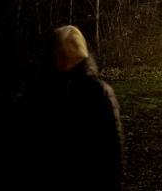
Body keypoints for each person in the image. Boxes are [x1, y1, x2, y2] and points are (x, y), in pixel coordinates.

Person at [18, 25, 124, 189]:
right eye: (59, 53)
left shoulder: (97, 91)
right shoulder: (38, 89)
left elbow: (111, 146)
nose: (63, 59)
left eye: (66, 53)